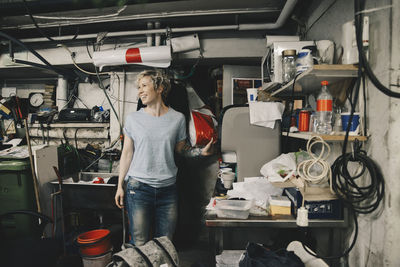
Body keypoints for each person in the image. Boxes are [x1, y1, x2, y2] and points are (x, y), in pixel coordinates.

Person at [114, 69, 213, 246]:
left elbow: (181, 149)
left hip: (168, 190)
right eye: (138, 87)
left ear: (159, 87)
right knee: (140, 243)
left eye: (144, 86)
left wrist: (201, 152)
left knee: (165, 243)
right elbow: (127, 153)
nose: (140, 91)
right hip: (138, 189)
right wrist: (120, 185)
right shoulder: (133, 119)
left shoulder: (177, 119)